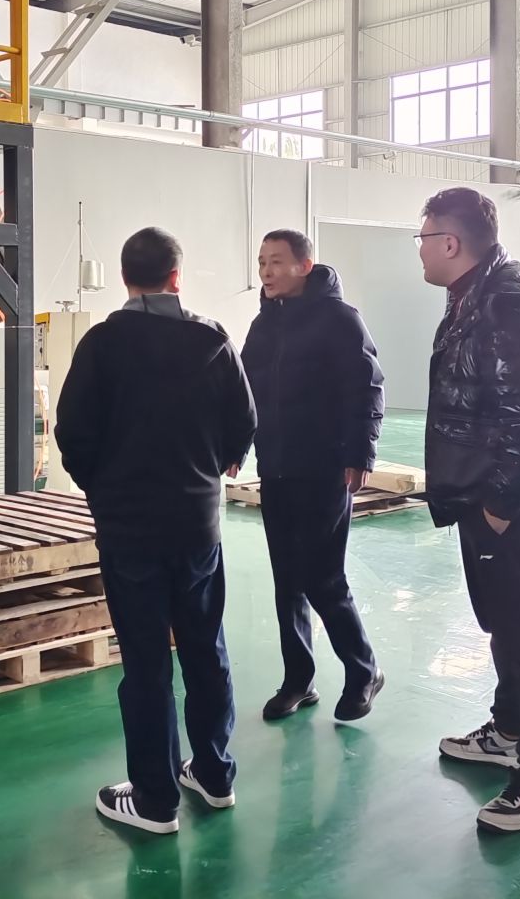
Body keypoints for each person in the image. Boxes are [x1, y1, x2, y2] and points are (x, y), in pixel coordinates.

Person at [55, 227, 257, 836]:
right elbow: (244, 421)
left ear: (124, 278)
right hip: (197, 525)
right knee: (205, 649)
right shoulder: (212, 340)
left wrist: (103, 487)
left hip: (130, 529)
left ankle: (154, 800)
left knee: (145, 663)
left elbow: (73, 433)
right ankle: (215, 775)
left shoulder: (101, 344)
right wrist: (213, 465)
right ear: (176, 278)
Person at [416, 188, 520, 835]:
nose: (420, 251)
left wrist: (502, 505)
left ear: (450, 243)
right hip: (484, 492)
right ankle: (508, 730)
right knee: (504, 624)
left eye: (424, 238)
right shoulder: (474, 299)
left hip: (512, 499)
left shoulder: (504, 309)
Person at [241, 229, 386, 725]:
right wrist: (238, 444)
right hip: (276, 467)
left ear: (305, 265)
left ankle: (364, 670)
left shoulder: (340, 319)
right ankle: (298, 680)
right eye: (262, 262)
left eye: (277, 261)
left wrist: (361, 452)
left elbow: (367, 387)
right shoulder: (264, 323)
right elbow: (246, 391)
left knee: (323, 578)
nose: (267, 271)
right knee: (287, 580)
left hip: (324, 467)